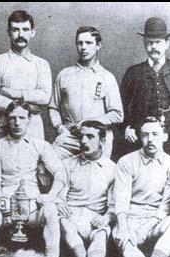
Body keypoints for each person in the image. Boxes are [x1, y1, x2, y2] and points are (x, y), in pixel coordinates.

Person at [0, 99, 69, 257]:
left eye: (21, 118)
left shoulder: (40, 145)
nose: (17, 123)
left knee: (50, 211)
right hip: (6, 204)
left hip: (32, 205)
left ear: (29, 120)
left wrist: (50, 197)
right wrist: (0, 199)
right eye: (12, 118)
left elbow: (60, 173)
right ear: (7, 120)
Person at [113, 116, 170, 257]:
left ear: (165, 137)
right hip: (131, 216)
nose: (150, 139)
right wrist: (123, 227)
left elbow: (166, 206)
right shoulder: (126, 161)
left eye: (155, 134)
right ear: (139, 137)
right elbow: (121, 199)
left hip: (156, 219)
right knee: (123, 236)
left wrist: (146, 227)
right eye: (145, 135)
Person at [118, 17, 170, 162]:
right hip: (142, 141)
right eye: (149, 43)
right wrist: (127, 127)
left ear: (167, 44)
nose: (153, 47)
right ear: (144, 44)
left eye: (158, 42)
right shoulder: (133, 73)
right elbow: (121, 105)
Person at [49, 26, 123, 159]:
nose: (83, 47)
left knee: (93, 176)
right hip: (69, 138)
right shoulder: (64, 74)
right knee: (46, 166)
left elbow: (117, 115)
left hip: (97, 138)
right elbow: (53, 107)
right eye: (80, 43)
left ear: (98, 45)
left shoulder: (107, 77)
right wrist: (59, 127)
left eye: (88, 43)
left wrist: (89, 122)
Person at [60, 121, 116, 257]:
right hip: (71, 214)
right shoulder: (67, 164)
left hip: (95, 216)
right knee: (66, 225)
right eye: (81, 136)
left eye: (90, 137)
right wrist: (60, 203)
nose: (84, 141)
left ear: (102, 141)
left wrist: (106, 217)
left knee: (101, 234)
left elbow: (114, 204)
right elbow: (59, 194)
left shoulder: (113, 168)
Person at [0, 10, 52, 144]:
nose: (21, 34)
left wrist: (10, 93)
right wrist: (16, 105)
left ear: (33, 32)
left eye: (25, 29)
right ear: (8, 32)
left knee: (33, 163)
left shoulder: (41, 64)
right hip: (1, 124)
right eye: (15, 30)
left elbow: (45, 97)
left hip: (32, 124)